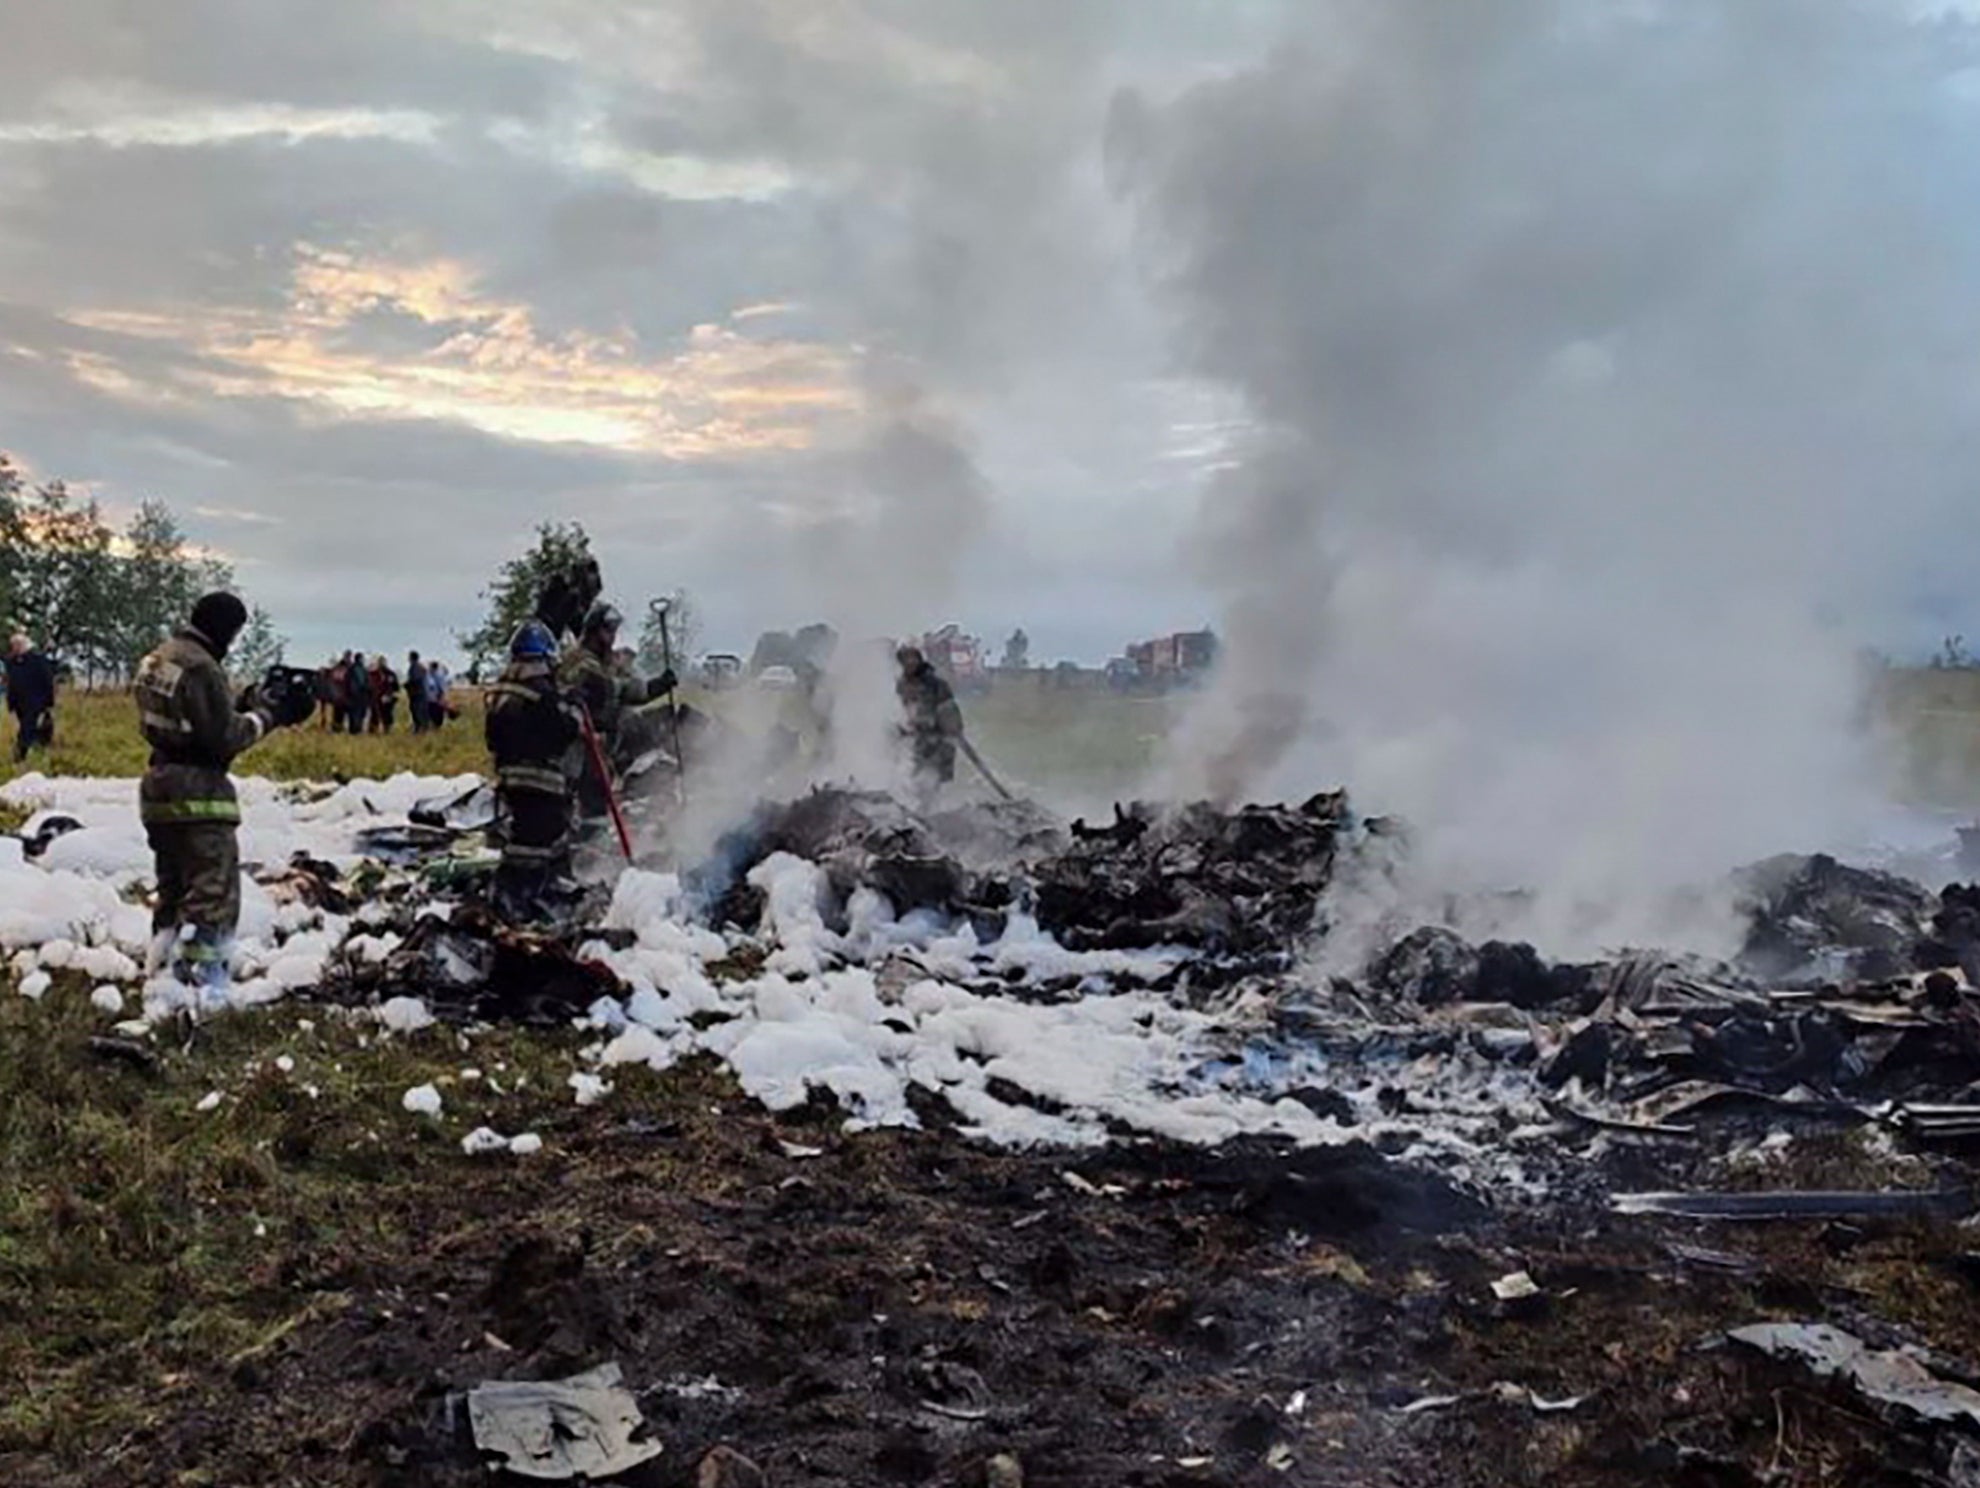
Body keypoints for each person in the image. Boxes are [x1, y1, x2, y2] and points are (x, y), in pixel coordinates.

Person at [134, 592, 312, 991]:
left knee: (173, 887)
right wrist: (270, 715)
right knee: (212, 891)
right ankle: (199, 985)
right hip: (198, 793)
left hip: (158, 787)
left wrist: (244, 701)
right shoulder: (202, 667)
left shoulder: (158, 658)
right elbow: (223, 737)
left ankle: (160, 971)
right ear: (227, 629)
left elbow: (189, 716)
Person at [485, 620, 581, 922]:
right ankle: (526, 896)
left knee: (523, 836)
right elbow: (562, 732)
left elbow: (492, 738)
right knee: (540, 840)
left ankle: (516, 893)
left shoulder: (502, 689)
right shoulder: (542, 691)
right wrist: (574, 711)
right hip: (541, 780)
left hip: (510, 778)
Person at [558, 603, 675, 825]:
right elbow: (608, 689)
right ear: (594, 631)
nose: (612, 637)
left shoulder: (606, 662)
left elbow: (629, 689)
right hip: (576, 748)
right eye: (607, 630)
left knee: (597, 801)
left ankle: (590, 845)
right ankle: (579, 847)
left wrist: (657, 686)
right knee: (579, 802)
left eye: (613, 631)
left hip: (598, 748)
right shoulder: (579, 660)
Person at [896, 645, 963, 802]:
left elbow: (950, 717)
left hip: (938, 745)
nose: (910, 663)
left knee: (929, 784)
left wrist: (924, 723)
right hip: (918, 745)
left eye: (913, 658)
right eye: (906, 660)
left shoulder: (936, 686)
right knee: (914, 783)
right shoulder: (901, 686)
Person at [4, 633, 57, 762]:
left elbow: (47, 681)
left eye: (18, 645)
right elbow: (11, 684)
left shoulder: (38, 660)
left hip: (36, 701)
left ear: (24, 645)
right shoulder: (12, 662)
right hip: (19, 703)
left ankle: (20, 754)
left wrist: (49, 701)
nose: (15, 647)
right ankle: (36, 748)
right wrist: (10, 703)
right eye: (13, 645)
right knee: (28, 727)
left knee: (27, 727)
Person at [368, 655, 400, 733]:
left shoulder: (391, 674)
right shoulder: (373, 674)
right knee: (375, 715)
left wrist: (390, 693)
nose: (382, 664)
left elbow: (396, 687)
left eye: (383, 662)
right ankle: (373, 731)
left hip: (387, 698)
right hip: (376, 697)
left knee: (387, 715)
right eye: (380, 662)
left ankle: (387, 730)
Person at [343, 650, 371, 735]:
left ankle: (357, 729)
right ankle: (355, 730)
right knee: (355, 714)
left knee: (361, 713)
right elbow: (350, 683)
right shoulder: (353, 670)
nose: (363, 660)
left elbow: (366, 681)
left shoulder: (363, 669)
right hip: (355, 695)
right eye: (362, 659)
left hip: (361, 695)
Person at [406, 651, 430, 733]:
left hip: (416, 694)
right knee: (420, 711)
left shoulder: (414, 667)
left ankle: (419, 728)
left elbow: (415, 680)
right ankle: (422, 727)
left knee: (417, 711)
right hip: (421, 693)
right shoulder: (421, 667)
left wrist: (407, 685)